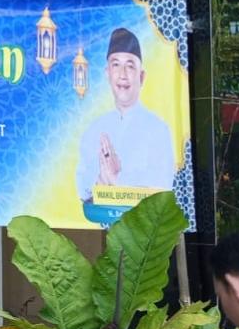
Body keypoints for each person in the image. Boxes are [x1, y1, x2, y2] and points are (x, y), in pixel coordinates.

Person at [75, 27, 175, 201]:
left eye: (130, 66)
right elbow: (82, 186)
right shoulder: (94, 130)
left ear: (141, 77)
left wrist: (117, 178)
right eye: (116, 65)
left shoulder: (158, 129)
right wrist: (101, 180)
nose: (122, 75)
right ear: (107, 73)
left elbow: (162, 187)